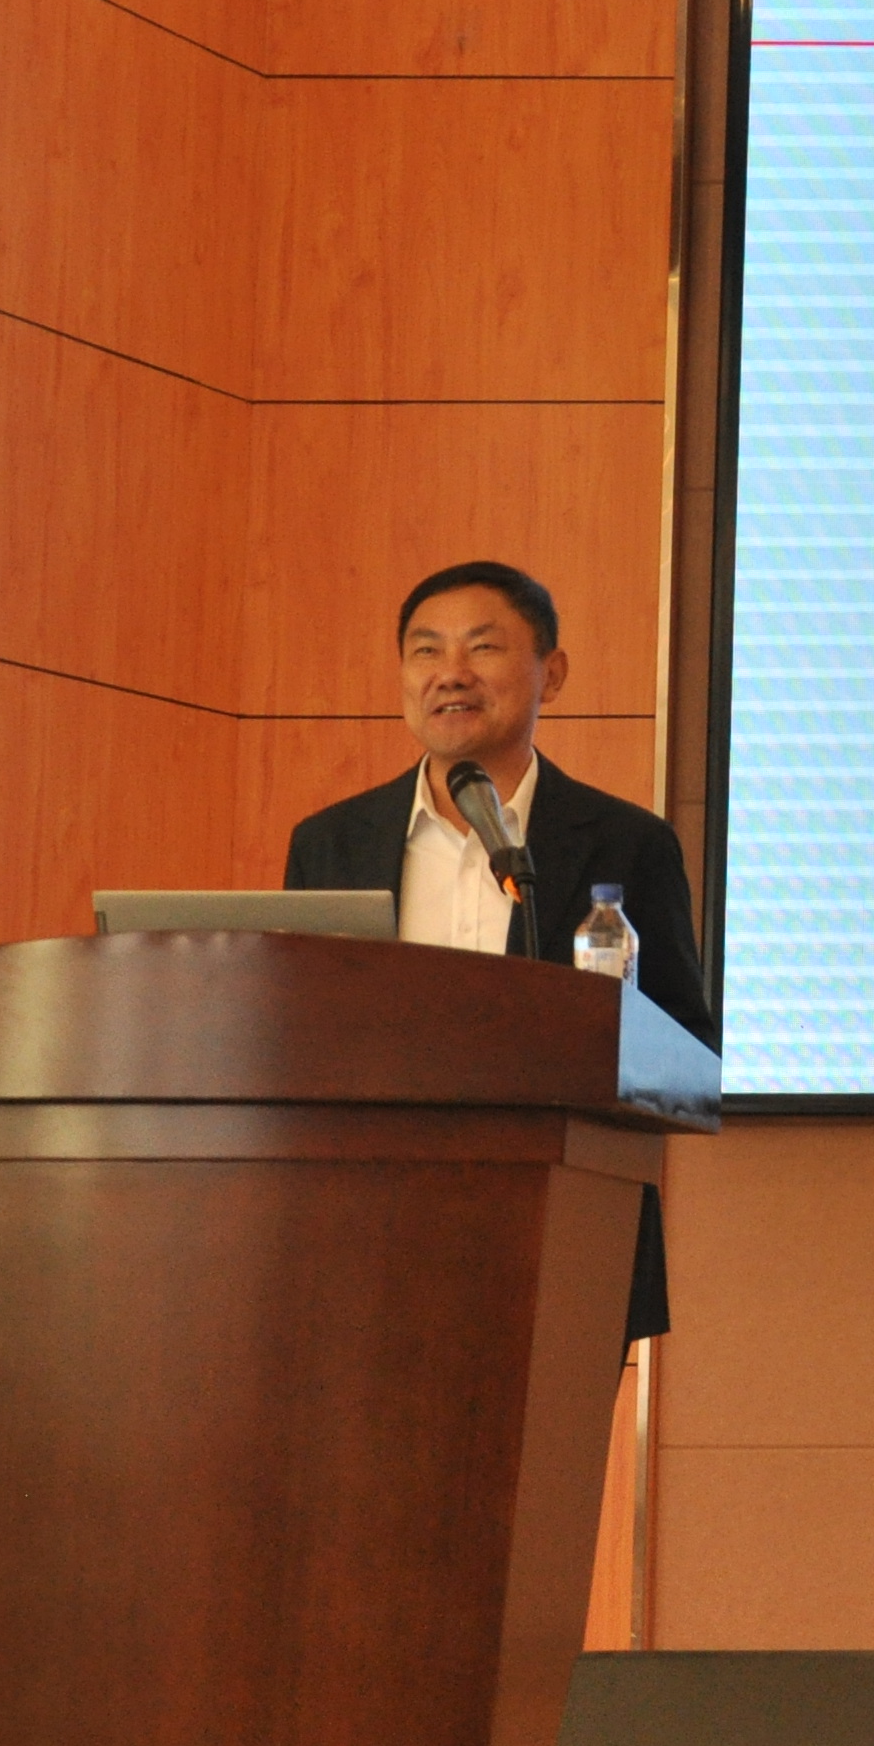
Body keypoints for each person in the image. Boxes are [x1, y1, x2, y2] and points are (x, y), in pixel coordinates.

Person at [285, 559, 711, 1347]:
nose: (450, 673)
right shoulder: (331, 844)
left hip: (564, 1229)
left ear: (553, 673)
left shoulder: (628, 844)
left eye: (482, 648)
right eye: (426, 650)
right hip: (364, 1234)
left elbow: (688, 1059)